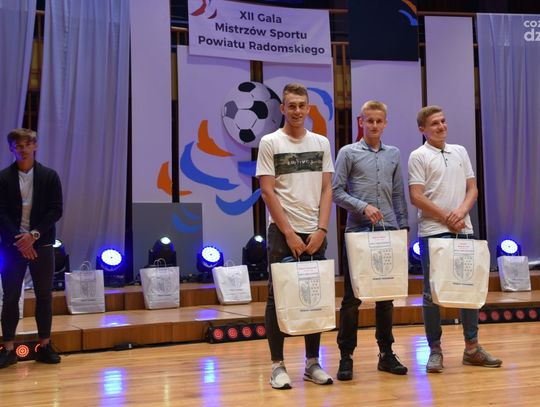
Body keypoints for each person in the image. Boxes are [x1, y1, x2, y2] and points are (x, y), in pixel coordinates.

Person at [408, 105, 502, 373]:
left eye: (443, 121)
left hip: (463, 228)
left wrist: (460, 213)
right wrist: (446, 217)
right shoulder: (418, 155)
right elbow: (416, 196)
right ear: (422, 129)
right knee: (432, 293)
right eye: (434, 123)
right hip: (433, 231)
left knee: (467, 289)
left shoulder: (460, 151)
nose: (441, 126)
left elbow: (472, 189)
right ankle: (435, 350)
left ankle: (472, 348)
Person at [256, 83, 334, 390]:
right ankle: (277, 366)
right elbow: (267, 190)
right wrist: (289, 233)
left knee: (313, 297)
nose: (297, 111)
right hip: (282, 232)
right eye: (292, 106)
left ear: (308, 108)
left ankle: (312, 364)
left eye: (302, 105)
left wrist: (322, 229)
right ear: (283, 109)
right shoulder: (270, 142)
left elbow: (327, 188)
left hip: (315, 232)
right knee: (277, 298)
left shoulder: (321, 142)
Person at [332, 101, 409, 381]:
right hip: (358, 233)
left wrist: (403, 229)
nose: (374, 125)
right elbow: (336, 191)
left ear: (385, 123)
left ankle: (386, 354)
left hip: (388, 232)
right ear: (361, 122)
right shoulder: (348, 152)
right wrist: (362, 206)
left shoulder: (394, 154)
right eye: (369, 120)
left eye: (379, 121)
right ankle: (346, 356)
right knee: (352, 299)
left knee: (386, 298)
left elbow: (398, 194)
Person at [0, 128, 63, 368]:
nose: (23, 149)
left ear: (35, 146)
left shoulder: (49, 176)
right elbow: (1, 212)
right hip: (12, 245)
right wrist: (21, 239)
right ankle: (8, 349)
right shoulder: (3, 178)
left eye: (27, 144)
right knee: (10, 297)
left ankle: (45, 345)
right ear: (11, 148)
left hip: (42, 244)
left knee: (44, 296)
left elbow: (56, 210)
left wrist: (33, 235)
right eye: (18, 145)